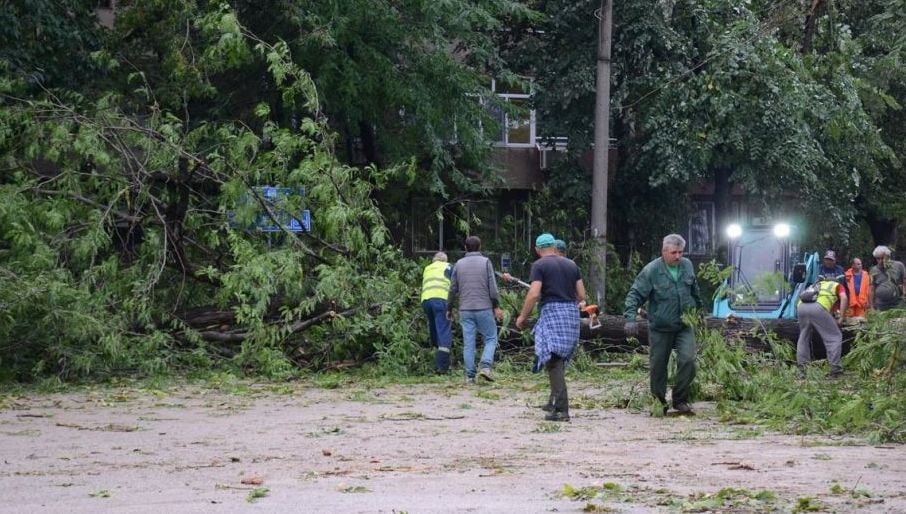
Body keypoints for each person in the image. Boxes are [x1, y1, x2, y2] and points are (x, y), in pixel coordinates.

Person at [623, 234, 704, 415]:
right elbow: (634, 294)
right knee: (658, 365)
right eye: (674, 252)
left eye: (681, 252)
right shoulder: (652, 270)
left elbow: (694, 290)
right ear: (664, 251)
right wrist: (630, 318)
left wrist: (700, 312)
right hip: (660, 327)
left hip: (685, 324)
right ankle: (659, 401)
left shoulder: (687, 265)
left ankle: (680, 399)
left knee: (688, 360)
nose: (678, 256)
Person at [516, 233, 585, 422]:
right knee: (559, 360)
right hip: (571, 313)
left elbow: (534, 294)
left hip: (553, 312)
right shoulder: (571, 264)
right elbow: (581, 294)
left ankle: (562, 409)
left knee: (553, 359)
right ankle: (555, 403)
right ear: (555, 247)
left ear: (537, 250)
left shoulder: (539, 265)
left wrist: (523, 316)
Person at [447, 236, 504, 384]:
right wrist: (496, 306)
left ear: (465, 247)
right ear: (480, 247)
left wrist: (449, 307)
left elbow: (452, 288)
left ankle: (470, 377)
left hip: (465, 309)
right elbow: (492, 287)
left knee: (469, 343)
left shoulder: (458, 264)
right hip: (484, 307)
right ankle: (485, 367)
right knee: (491, 338)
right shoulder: (485, 262)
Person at [796, 275, 848, 378]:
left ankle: (802, 369)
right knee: (834, 337)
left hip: (801, 307)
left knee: (803, 337)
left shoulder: (817, 284)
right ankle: (835, 369)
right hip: (818, 307)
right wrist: (841, 317)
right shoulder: (837, 285)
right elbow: (844, 298)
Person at [421, 252, 453, 374]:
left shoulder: (427, 268)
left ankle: (436, 355)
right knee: (444, 330)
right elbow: (454, 285)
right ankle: (442, 366)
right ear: (445, 260)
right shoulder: (448, 266)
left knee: (434, 328)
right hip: (441, 300)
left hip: (426, 301)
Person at [869, 245, 906, 311]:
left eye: (882, 258)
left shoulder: (899, 265)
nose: (880, 261)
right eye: (878, 258)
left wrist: (904, 293)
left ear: (888, 256)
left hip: (898, 304)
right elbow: (872, 289)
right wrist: (871, 306)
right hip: (881, 305)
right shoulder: (873, 270)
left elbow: (904, 281)